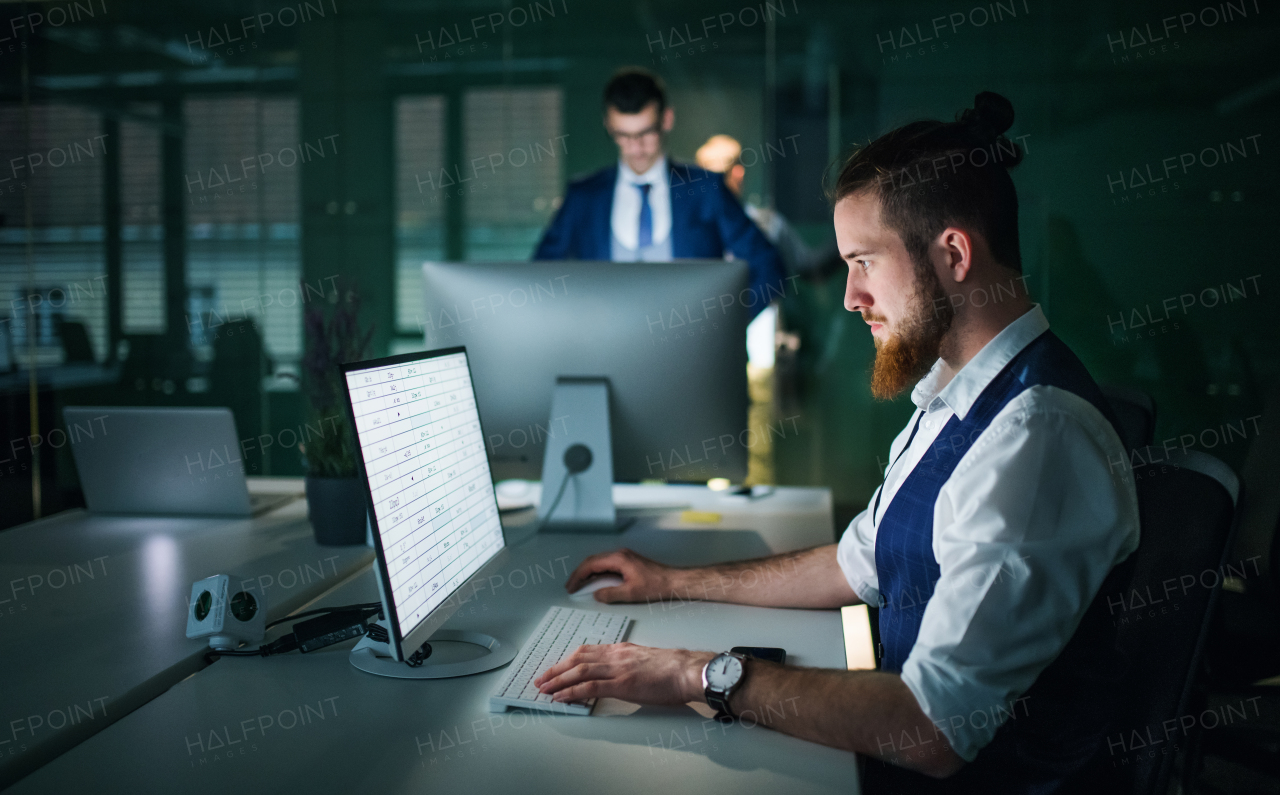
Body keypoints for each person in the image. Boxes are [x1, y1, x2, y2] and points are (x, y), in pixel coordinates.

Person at [534, 92, 1141, 793]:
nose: (850, 296)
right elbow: (858, 563)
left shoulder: (1033, 440)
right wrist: (671, 582)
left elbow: (931, 726)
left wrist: (696, 673)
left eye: (865, 261)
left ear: (952, 254)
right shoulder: (954, 396)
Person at [533, 68, 785, 318]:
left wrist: (724, 328)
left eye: (646, 133)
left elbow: (768, 266)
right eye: (623, 135)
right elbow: (538, 280)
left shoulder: (706, 189)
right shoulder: (583, 198)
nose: (636, 147)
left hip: (692, 353)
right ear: (608, 125)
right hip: (603, 352)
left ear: (666, 119)